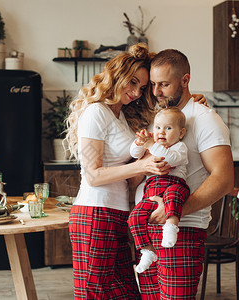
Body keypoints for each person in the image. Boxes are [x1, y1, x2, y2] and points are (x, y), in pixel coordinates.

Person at [65, 43, 168, 299]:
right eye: (132, 82)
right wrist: (142, 164)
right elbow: (94, 175)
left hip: (118, 215)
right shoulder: (95, 112)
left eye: (142, 88)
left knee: (126, 293)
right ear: (116, 75)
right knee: (95, 294)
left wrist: (146, 157)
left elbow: (130, 178)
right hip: (94, 214)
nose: (135, 92)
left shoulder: (121, 117)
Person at [135, 49, 234, 299]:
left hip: (184, 230)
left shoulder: (205, 119)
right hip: (148, 231)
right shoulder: (159, 119)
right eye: (154, 84)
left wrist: (173, 212)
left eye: (164, 84)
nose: (157, 91)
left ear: (185, 80)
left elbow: (223, 180)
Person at [127, 107, 190, 274]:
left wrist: (151, 145)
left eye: (168, 128)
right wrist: (139, 143)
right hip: (152, 191)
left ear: (181, 133)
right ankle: (147, 250)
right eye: (157, 127)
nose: (161, 132)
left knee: (173, 195)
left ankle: (171, 227)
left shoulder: (179, 147)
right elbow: (134, 153)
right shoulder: (152, 147)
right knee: (134, 217)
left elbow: (169, 159)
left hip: (175, 185)